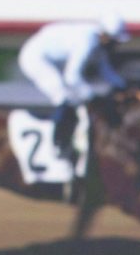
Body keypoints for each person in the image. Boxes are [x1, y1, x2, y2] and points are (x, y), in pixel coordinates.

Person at [16, 13, 130, 188]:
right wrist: (93, 96)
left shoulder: (99, 42)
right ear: (106, 36)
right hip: (35, 58)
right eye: (116, 41)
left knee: (74, 98)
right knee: (64, 96)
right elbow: (72, 77)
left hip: (49, 57)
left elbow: (106, 71)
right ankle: (58, 146)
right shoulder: (87, 42)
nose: (117, 45)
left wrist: (124, 86)